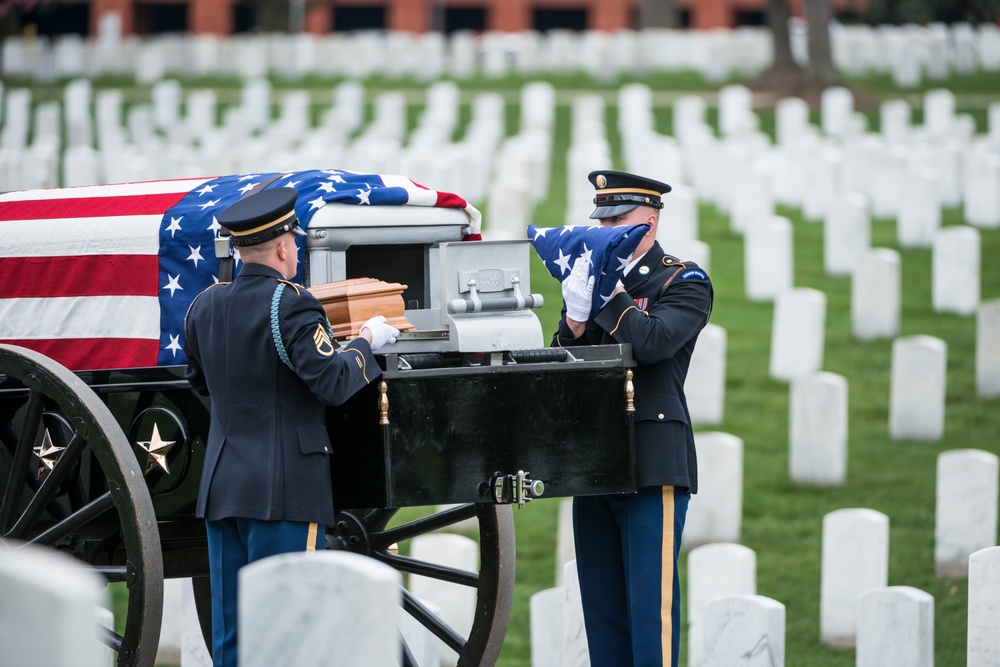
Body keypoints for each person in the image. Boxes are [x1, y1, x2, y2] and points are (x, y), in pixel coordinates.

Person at [183, 187, 399, 667]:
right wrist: (367, 342)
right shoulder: (292, 303)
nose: (296, 250)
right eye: (294, 243)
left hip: (223, 488)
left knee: (233, 640)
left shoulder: (204, 305)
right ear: (282, 247)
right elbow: (333, 381)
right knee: (289, 633)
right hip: (283, 490)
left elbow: (199, 382)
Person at [553, 170, 713, 667]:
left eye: (617, 219)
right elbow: (562, 370)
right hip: (595, 461)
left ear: (650, 222)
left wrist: (609, 294)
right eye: (601, 219)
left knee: (651, 615)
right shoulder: (593, 281)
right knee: (602, 613)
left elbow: (652, 343)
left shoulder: (683, 280)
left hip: (652, 459)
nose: (605, 229)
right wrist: (575, 325)